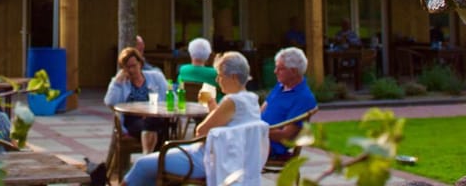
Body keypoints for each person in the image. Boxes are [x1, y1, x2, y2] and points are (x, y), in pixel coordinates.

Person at [121, 51, 261, 185]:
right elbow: (224, 123)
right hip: (229, 160)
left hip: (205, 160)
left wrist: (210, 107)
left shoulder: (231, 101)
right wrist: (211, 103)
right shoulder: (251, 100)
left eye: (220, 75)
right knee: (151, 170)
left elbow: (200, 131)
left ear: (234, 77)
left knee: (142, 164)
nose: (217, 80)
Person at [104, 46, 170, 153]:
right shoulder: (121, 83)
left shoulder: (156, 77)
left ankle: (149, 158)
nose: (131, 70)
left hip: (156, 116)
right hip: (133, 120)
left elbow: (171, 98)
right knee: (154, 126)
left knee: (158, 124)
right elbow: (109, 102)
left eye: (134, 66)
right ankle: (150, 158)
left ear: (140, 63)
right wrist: (117, 83)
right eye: (127, 67)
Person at [262, 47, 318, 160]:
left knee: (225, 148)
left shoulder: (303, 97)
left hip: (271, 147)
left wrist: (256, 132)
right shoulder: (280, 86)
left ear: (293, 71)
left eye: (280, 68)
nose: (275, 71)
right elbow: (262, 109)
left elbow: (285, 135)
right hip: (257, 139)